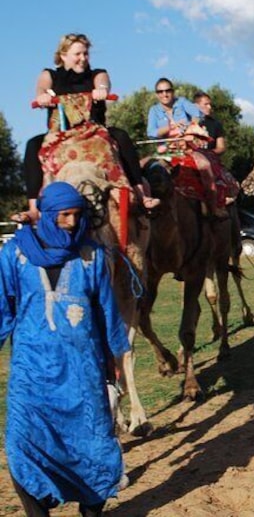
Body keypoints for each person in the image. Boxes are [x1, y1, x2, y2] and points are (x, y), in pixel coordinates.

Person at [0, 182, 130, 517]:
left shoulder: (92, 255)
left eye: (76, 215)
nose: (72, 222)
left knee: (94, 447)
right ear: (47, 213)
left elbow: (105, 310)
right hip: (32, 371)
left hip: (82, 370)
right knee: (23, 444)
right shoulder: (14, 254)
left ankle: (91, 511)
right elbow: (3, 308)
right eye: (64, 215)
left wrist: (114, 358)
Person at [20, 33, 159, 224]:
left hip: (93, 130)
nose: (83, 58)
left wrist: (101, 90)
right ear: (63, 55)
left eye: (86, 54)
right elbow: (42, 89)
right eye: (78, 54)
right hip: (60, 133)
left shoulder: (97, 74)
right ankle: (34, 208)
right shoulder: (49, 75)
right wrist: (42, 96)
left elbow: (103, 82)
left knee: (121, 137)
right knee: (32, 145)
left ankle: (140, 194)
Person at [147, 79, 225, 218]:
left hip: (187, 149)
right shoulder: (154, 110)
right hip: (165, 151)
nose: (165, 94)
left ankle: (213, 208)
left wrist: (191, 126)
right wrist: (170, 128)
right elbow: (151, 133)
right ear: (157, 94)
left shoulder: (182, 102)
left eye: (168, 90)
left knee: (205, 166)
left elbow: (198, 114)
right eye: (161, 91)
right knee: (144, 168)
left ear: (172, 91)